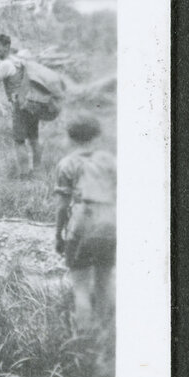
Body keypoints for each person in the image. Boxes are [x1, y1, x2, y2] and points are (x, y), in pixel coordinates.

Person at [54, 115, 116, 336]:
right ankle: (105, 336)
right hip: (110, 222)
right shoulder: (109, 161)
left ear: (71, 137)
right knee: (104, 282)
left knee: (80, 287)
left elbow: (62, 207)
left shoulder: (67, 163)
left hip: (82, 223)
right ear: (96, 135)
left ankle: (84, 338)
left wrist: (58, 235)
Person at [0, 32, 62, 175]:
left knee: (19, 141)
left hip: (19, 105)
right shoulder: (20, 59)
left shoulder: (5, 64)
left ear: (7, 46)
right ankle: (37, 171)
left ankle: (24, 174)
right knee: (34, 138)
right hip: (32, 102)